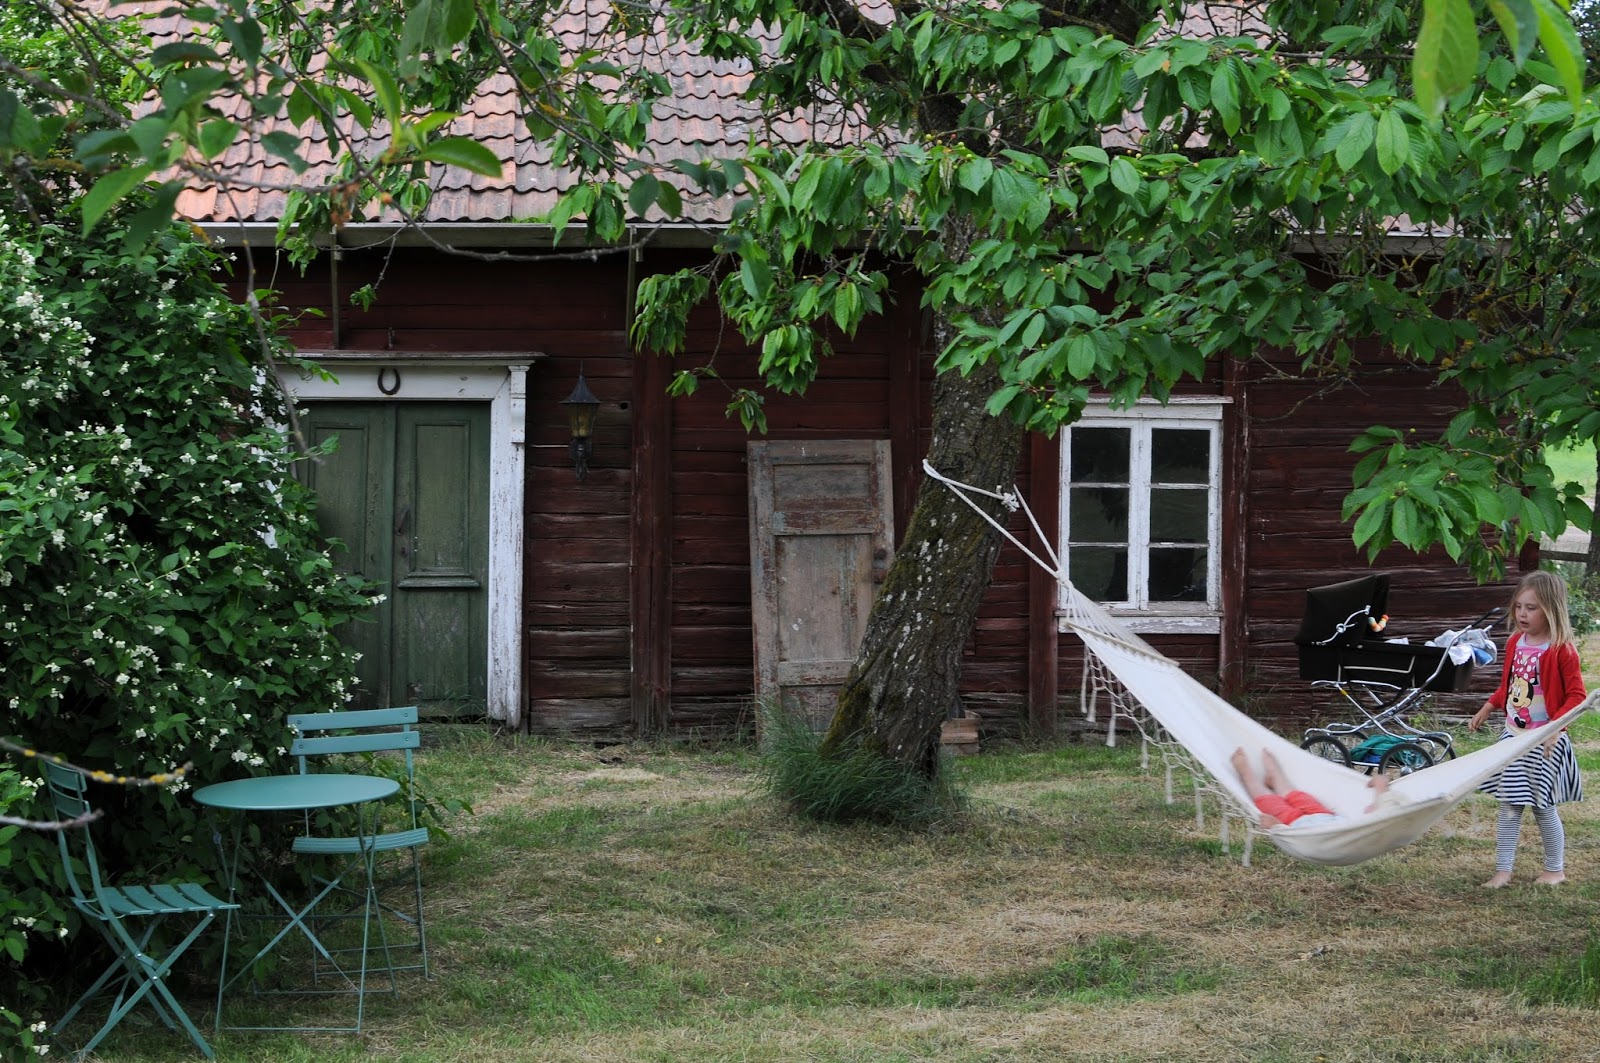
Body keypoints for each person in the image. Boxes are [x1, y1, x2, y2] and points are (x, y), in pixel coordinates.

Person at [1468, 570, 1587, 888]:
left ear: (1551, 609)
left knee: (1542, 807)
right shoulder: (1515, 643)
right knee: (1509, 804)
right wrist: (1488, 706)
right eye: (1519, 606)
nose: (1522, 613)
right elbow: (1510, 686)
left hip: (1544, 741)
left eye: (1531, 608)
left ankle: (1555, 870)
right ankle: (1503, 871)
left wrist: (1556, 729)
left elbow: (1577, 696)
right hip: (1513, 736)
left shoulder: (1561, 649)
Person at [1231, 746, 1390, 829]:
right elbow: (1383, 807)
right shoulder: (1379, 820)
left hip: (1295, 826)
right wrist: (1380, 786)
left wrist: (1277, 826)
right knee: (1298, 796)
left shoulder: (1363, 835)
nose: (1368, 808)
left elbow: (1302, 840)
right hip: (1325, 815)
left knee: (1271, 803)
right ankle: (1275, 777)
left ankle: (1247, 774)